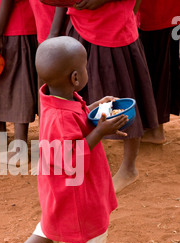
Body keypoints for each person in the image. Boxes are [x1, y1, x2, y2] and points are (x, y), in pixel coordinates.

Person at [0, 36, 128, 243]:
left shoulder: (57, 100)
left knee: (55, 221)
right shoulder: (60, 115)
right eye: (85, 67)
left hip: (62, 185)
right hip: (77, 186)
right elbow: (70, 155)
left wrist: (95, 109)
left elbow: (75, 122)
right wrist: (99, 132)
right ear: (75, 78)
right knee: (93, 227)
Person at [48, 0, 159, 193]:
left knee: (123, 99)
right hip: (79, 27)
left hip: (115, 30)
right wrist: (54, 31)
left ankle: (129, 168)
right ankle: (78, 159)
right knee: (76, 96)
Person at [0, 0, 38, 165]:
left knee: (19, 83)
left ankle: (19, 149)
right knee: (10, 81)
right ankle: (0, 128)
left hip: (16, 25)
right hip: (24, 22)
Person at [136, 0, 180, 144]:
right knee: (165, 65)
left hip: (156, 15)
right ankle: (153, 127)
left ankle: (155, 129)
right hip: (170, 14)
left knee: (154, 69)